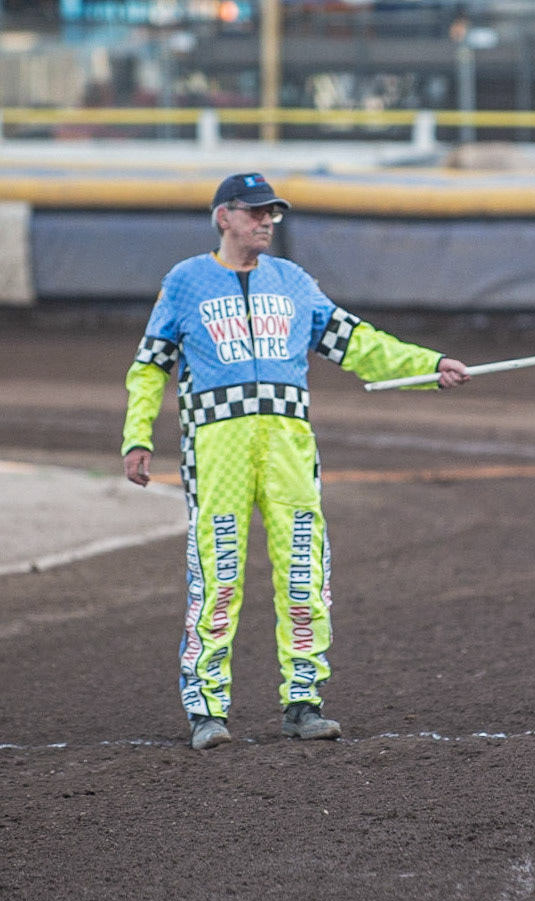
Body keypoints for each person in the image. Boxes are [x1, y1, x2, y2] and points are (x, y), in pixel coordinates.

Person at [121, 172, 471, 750]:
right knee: (219, 577)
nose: (265, 221)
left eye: (271, 213)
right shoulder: (183, 282)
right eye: (255, 212)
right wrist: (138, 436)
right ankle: (207, 710)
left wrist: (429, 367)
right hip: (217, 452)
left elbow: (358, 344)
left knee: (304, 575)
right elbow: (149, 366)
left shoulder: (294, 283)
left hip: (289, 449)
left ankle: (304, 702)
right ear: (223, 217)